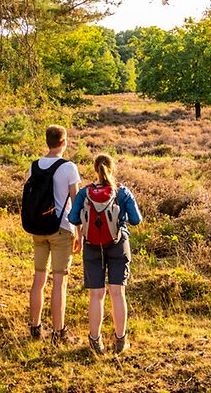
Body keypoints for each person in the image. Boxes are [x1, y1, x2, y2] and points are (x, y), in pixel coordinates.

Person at [69, 153, 142, 355]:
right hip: (118, 244)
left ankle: (95, 341)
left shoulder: (85, 193)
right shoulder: (122, 192)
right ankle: (120, 340)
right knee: (118, 293)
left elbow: (73, 217)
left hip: (92, 245)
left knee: (96, 294)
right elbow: (136, 220)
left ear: (95, 169)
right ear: (113, 168)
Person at [28, 124, 82, 344]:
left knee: (39, 279)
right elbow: (76, 203)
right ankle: (59, 333)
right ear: (64, 142)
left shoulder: (35, 166)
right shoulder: (69, 168)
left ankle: (35, 327)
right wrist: (79, 233)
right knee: (60, 282)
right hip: (61, 230)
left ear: (47, 141)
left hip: (38, 229)